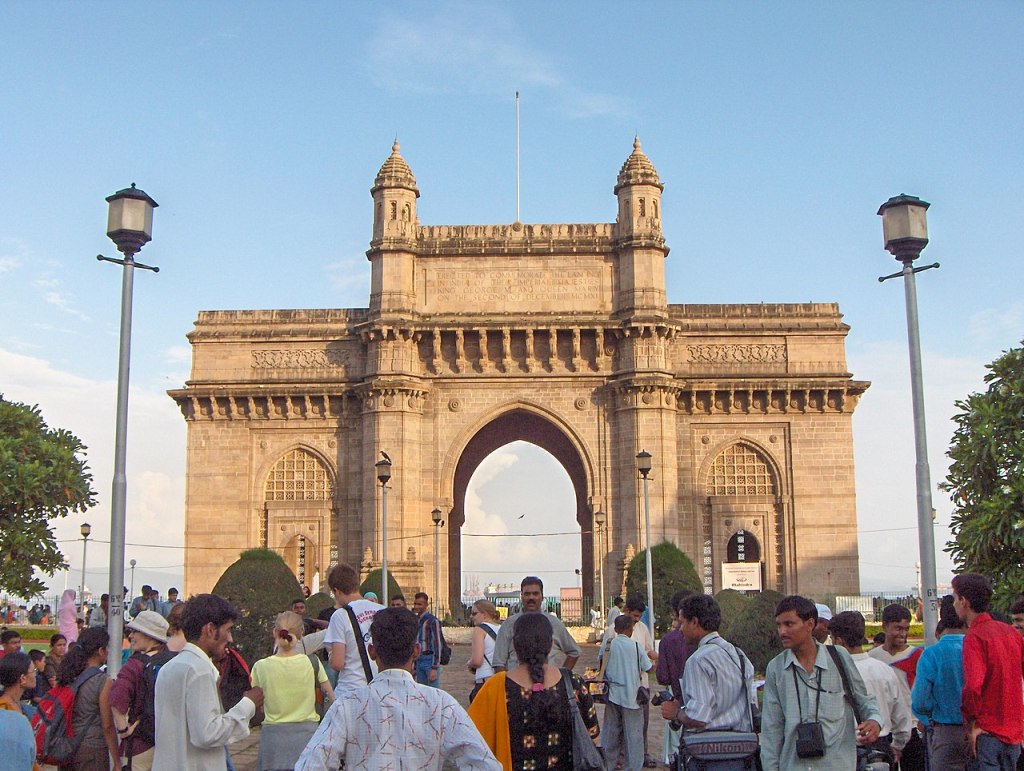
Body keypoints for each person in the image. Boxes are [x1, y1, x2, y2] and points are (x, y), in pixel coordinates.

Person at [296, 607, 500, 770]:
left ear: (372, 652)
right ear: (417, 651)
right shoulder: (442, 704)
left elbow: (310, 764)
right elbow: (485, 764)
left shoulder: (347, 706)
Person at [760, 595, 882, 770]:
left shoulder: (839, 658)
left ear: (810, 624)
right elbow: (772, 730)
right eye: (779, 625)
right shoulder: (776, 668)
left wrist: (874, 721)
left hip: (836, 764)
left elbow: (864, 700)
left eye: (789, 624)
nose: (782, 632)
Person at [468, 611, 599, 771]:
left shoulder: (495, 688)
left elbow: (471, 742)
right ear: (550, 644)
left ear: (515, 645)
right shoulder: (573, 683)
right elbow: (593, 732)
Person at [152, 593, 264, 771]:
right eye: (228, 630)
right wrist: (248, 704)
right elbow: (207, 734)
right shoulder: (199, 670)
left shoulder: (170, 667)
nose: (230, 639)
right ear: (210, 629)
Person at [953, 572, 1024, 769]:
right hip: (1014, 733)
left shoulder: (975, 636)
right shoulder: (1011, 633)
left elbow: (974, 685)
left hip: (988, 733)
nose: (954, 605)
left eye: (955, 598)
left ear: (964, 601)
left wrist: (972, 722)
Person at [251, 611, 333, 771]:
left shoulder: (261, 666)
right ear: (301, 633)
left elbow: (255, 703)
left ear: (275, 632)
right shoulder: (312, 662)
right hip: (306, 735)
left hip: (273, 738)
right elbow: (331, 696)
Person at [828, 610, 912, 764]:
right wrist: (897, 746)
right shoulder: (884, 670)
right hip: (881, 746)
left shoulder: (831, 674)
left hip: (844, 749)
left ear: (839, 641)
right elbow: (901, 717)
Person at [109, 610, 174, 771]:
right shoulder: (173, 661)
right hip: (170, 744)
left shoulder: (134, 665)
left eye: (135, 631)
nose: (131, 636)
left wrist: (123, 729)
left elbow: (116, 700)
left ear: (149, 636)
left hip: (139, 745)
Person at [911, 595, 969, 769]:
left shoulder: (931, 654)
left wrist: (929, 718)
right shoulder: (977, 648)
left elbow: (919, 700)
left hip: (945, 731)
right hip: (980, 731)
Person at [56, 626, 120, 770]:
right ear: (100, 651)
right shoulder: (102, 680)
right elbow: (107, 725)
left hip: (66, 746)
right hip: (92, 749)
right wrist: (116, 760)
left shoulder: (68, 674)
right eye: (107, 648)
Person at [491, 576, 580, 672]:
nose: (531, 597)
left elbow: (574, 652)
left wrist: (562, 677)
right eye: (527, 594)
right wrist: (509, 684)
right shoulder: (509, 625)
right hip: (517, 684)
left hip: (548, 684)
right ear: (521, 596)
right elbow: (498, 663)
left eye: (535, 594)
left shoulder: (554, 623)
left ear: (542, 596)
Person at [323, 563, 385, 696]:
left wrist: (330, 655)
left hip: (351, 689)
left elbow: (338, 663)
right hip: (380, 688)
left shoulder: (340, 615)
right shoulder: (382, 610)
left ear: (337, 591)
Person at [603, 614, 653, 771]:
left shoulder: (608, 644)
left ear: (616, 629)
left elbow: (601, 663)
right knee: (634, 737)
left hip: (612, 695)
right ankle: (632, 767)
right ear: (630, 630)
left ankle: (608, 765)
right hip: (632, 697)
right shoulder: (636, 647)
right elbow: (648, 667)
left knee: (611, 735)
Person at [655, 589, 697, 765]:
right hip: (703, 705)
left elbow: (663, 677)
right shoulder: (707, 641)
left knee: (675, 752)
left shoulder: (669, 640)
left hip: (677, 700)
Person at [0, 652, 40, 771]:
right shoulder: (4, 709)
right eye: (33, 671)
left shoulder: (18, 706)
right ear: (22, 678)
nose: (35, 675)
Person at [467, 600, 502, 703]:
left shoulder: (479, 630)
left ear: (485, 614)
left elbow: (477, 661)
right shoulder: (502, 629)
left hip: (484, 680)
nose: (471, 617)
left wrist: (470, 663)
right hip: (499, 680)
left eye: (474, 613)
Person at [412, 592, 443, 687]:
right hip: (419, 659)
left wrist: (434, 667)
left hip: (429, 659)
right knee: (422, 691)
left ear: (426, 605)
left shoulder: (433, 621)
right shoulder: (416, 620)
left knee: (433, 692)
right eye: (415, 604)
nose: (417, 606)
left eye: (420, 604)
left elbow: (437, 644)